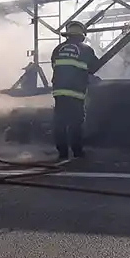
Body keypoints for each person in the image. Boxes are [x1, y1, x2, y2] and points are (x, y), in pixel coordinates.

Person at [50, 21, 99, 160]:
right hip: (76, 91)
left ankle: (62, 153)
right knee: (75, 122)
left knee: (60, 122)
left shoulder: (58, 49)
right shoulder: (85, 49)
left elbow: (55, 66)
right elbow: (94, 67)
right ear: (82, 35)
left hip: (59, 91)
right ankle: (77, 151)